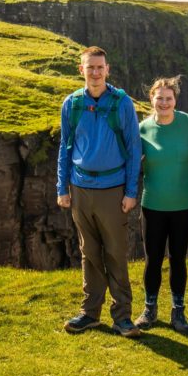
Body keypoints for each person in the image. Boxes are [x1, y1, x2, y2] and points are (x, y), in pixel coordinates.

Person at [58, 46, 142, 337]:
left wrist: (131, 192)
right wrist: (62, 187)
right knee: (88, 252)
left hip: (113, 189)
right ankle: (89, 313)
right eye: (89, 67)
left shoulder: (122, 103)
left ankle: (122, 316)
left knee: (116, 253)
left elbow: (134, 148)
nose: (95, 72)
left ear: (108, 70)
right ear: (81, 70)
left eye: (100, 67)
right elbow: (65, 148)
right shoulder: (72, 104)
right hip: (80, 189)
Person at [135, 76, 188, 333]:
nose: (164, 102)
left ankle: (179, 312)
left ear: (176, 100)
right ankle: (149, 309)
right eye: (159, 98)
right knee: (152, 259)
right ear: (151, 99)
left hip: (185, 204)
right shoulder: (142, 128)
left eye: (168, 98)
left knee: (178, 259)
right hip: (153, 204)